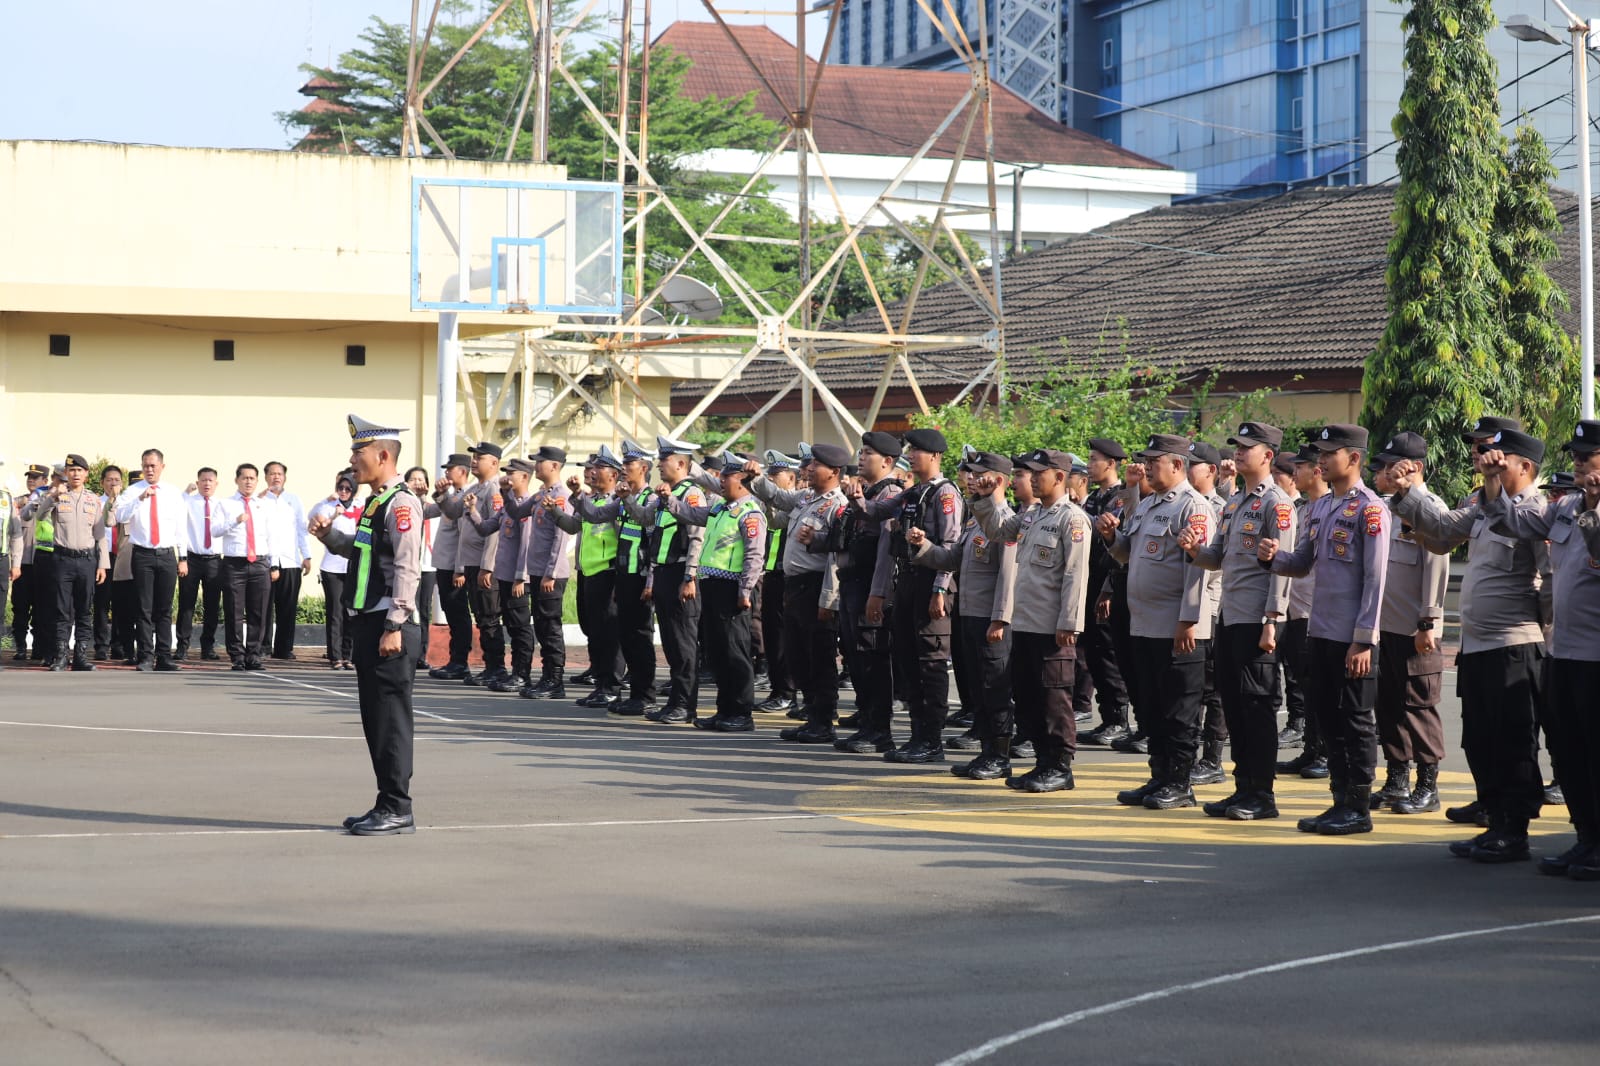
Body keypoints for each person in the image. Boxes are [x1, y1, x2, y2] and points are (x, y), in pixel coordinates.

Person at [1389, 420, 1550, 863]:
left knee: (1513, 740)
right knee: (1479, 739)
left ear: (1524, 466)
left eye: (1496, 457)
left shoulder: (1537, 512)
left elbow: (1552, 581)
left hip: (1515, 645)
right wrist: (1407, 492)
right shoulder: (1482, 506)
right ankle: (1494, 818)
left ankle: (1514, 829)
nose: (1484, 462)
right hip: (1478, 646)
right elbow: (1442, 529)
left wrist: (1549, 639)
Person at [1260, 423, 1389, 836]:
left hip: (1353, 638)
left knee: (1356, 722)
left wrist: (1364, 639)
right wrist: (1273, 558)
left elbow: (1375, 580)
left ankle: (1359, 806)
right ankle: (1339, 800)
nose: (1322, 460)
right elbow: (1302, 563)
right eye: (1321, 453)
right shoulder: (1319, 508)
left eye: (1330, 453)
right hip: (1320, 631)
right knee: (1329, 720)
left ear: (1354, 458)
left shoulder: (1370, 509)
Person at [309, 414, 424, 836]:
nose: (352, 459)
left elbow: (408, 567)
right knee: (376, 719)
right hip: (371, 622)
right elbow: (365, 554)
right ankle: (386, 801)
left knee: (390, 719)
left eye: (359, 451)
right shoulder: (376, 502)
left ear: (382, 456)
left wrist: (395, 623)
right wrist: (329, 536)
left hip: (388, 625)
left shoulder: (401, 503)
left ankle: (398, 807)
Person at [1180, 422, 1295, 821]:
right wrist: (1194, 550)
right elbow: (1217, 557)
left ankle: (1262, 793)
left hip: (1257, 620)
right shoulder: (1234, 503)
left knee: (1258, 708)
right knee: (1235, 706)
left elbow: (1283, 566)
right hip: (1230, 616)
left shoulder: (1277, 504)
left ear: (1268, 455)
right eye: (1238, 446)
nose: (1240, 452)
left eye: (1248, 447)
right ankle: (1243, 786)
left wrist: (1272, 620)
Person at [1099, 434, 1214, 810]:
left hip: (1177, 628)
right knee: (1151, 707)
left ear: (1177, 465)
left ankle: (1180, 782)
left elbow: (1199, 569)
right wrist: (1112, 537)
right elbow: (1127, 555)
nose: (1146, 467)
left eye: (1154, 461)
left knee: (1179, 710)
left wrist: (1188, 620)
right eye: (1146, 461)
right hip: (1144, 623)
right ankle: (1160, 776)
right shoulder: (1148, 504)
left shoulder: (1193, 506)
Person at [969, 449, 1090, 789]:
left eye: (1040, 473)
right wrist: (984, 498)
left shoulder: (1072, 519)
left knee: (1054, 699)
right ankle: (1042, 762)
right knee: (1029, 698)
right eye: (1031, 473)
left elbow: (1076, 575)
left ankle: (1060, 767)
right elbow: (997, 531)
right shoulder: (1032, 515)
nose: (1033, 479)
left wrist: (1069, 623)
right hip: (1024, 622)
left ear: (1060, 477)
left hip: (1052, 626)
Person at [852, 428, 964, 763]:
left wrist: (940, 589)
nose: (911, 455)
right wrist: (857, 498)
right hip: (908, 581)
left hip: (931, 581)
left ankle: (931, 740)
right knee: (908, 660)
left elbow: (951, 546)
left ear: (935, 456)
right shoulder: (912, 492)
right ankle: (917, 736)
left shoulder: (945, 493)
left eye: (917, 451)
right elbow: (875, 512)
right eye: (910, 450)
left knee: (930, 664)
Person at [1366, 433, 1450, 815]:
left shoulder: (1430, 508)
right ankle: (1397, 779)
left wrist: (1428, 621)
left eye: (1391, 465)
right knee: (1388, 706)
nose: (1384, 472)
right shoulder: (1385, 509)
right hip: (1385, 626)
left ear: (1414, 467)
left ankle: (1427, 785)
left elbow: (1436, 567)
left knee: (1419, 706)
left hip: (1415, 629)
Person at [747, 444, 849, 742]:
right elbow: (778, 497)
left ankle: (823, 720)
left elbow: (835, 559)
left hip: (817, 587)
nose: (809, 469)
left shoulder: (838, 506)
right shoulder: (806, 497)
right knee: (797, 654)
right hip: (795, 587)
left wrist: (828, 600)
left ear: (834, 472)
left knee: (820, 656)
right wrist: (755, 479)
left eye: (816, 465)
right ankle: (810, 714)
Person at [656, 458, 767, 731]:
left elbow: (754, 556)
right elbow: (689, 515)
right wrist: (669, 500)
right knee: (718, 653)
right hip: (712, 586)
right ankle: (724, 710)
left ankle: (741, 713)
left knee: (735, 653)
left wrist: (745, 590)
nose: (721, 481)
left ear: (742, 480)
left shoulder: (750, 513)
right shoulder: (719, 508)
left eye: (727, 477)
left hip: (733, 589)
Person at [826, 431, 905, 753]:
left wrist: (878, 592)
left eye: (868, 453)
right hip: (852, 582)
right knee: (857, 658)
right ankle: (867, 723)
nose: (861, 457)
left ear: (887, 461)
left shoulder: (891, 495)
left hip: (870, 585)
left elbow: (886, 550)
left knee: (873, 658)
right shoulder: (866, 492)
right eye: (861, 452)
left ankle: (879, 730)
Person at [574, 439, 658, 715]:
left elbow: (651, 536)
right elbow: (596, 515)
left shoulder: (650, 499)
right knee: (624, 636)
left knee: (637, 637)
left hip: (639, 576)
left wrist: (651, 581)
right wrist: (577, 496)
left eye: (628, 463)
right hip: (624, 575)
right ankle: (628, 693)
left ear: (643, 468)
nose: (624, 468)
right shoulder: (623, 499)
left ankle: (640, 693)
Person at [627, 436, 708, 724]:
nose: (660, 465)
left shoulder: (691, 494)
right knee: (672, 644)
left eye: (665, 460)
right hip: (663, 572)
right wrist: (626, 498)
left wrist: (690, 576)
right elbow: (645, 519)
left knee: (684, 644)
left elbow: (697, 538)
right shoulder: (666, 494)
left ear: (682, 464)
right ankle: (674, 702)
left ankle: (685, 705)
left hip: (680, 573)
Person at [555, 446, 628, 709]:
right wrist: (554, 512)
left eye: (599, 469)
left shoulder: (617, 502)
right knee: (596, 633)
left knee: (610, 634)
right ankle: (600, 683)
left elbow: (623, 541)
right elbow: (573, 526)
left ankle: (612, 687)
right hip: (588, 573)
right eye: (592, 468)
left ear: (614, 475)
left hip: (608, 573)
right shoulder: (591, 500)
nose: (592, 473)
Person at [26, 454, 109, 671]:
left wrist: (103, 565)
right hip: (62, 560)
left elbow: (100, 535)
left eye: (79, 470)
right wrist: (52, 496)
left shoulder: (93, 500)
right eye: (71, 470)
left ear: (86, 474)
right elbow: (39, 516)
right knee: (61, 610)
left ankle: (81, 656)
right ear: (66, 473)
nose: (75, 474)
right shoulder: (57, 496)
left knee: (84, 610)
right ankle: (61, 656)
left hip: (86, 561)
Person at [113, 448, 191, 671]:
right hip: (143, 554)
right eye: (145, 465)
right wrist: (139, 499)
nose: (149, 469)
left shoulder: (172, 492)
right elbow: (120, 516)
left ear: (162, 467)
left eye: (153, 466)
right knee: (143, 608)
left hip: (166, 554)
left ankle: (164, 656)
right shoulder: (132, 491)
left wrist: (183, 557)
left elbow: (180, 527)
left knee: (164, 609)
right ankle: (145, 656)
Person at [469, 458, 534, 694]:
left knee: (520, 627)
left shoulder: (526, 506)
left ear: (524, 477)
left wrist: (521, 577)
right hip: (504, 575)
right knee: (511, 626)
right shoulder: (508, 506)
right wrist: (472, 511)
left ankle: (522, 674)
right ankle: (514, 673)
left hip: (517, 579)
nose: (506, 476)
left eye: (511, 473)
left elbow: (526, 544)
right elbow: (486, 528)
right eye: (505, 472)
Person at [518, 446, 574, 698]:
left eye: (540, 462)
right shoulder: (541, 494)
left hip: (551, 574)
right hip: (538, 571)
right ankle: (546, 676)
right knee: (541, 625)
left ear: (554, 466)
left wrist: (550, 573)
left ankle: (555, 680)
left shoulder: (561, 497)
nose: (536, 466)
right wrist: (508, 493)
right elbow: (516, 512)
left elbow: (560, 539)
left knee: (550, 627)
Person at [216, 463, 279, 670]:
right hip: (235, 563)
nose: (248, 482)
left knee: (258, 611)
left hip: (259, 562)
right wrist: (234, 521)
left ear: (257, 481)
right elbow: (215, 530)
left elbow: (272, 536)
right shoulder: (226, 504)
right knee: (234, 611)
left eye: (252, 478)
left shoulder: (264, 505)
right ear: (237, 480)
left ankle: (254, 655)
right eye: (245, 478)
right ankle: (237, 656)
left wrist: (274, 564)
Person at [456, 442, 507, 687]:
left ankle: (497, 667)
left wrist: (487, 566)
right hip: (471, 562)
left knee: (489, 617)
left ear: (494, 463)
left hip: (484, 564)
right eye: (473, 457)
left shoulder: (495, 489)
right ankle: (490, 666)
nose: (474, 461)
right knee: (481, 615)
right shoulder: (475, 488)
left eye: (480, 457)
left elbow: (494, 531)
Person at [755, 451, 801, 714]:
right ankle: (778, 689)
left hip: (789, 578)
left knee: (786, 640)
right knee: (772, 638)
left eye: (775, 475)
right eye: (768, 475)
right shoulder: (773, 506)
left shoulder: (798, 504)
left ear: (791, 478)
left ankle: (787, 692)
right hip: (772, 575)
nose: (770, 479)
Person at [426, 454, 474, 680]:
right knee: (451, 612)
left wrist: (460, 569)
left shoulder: (467, 497)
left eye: (450, 469)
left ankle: (460, 661)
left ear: (462, 471)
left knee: (458, 614)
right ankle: (455, 660)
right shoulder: (454, 496)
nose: (446, 473)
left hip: (454, 566)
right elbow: (429, 510)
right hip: (444, 564)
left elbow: (464, 536)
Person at [260, 461, 311, 661]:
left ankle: (284, 648)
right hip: (265, 561)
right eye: (272, 474)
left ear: (285, 477)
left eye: (279, 474)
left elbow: (302, 529)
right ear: (266, 477)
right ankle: (263, 647)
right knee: (264, 607)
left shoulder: (294, 500)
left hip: (290, 560)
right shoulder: (259, 500)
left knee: (288, 607)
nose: (276, 477)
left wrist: (306, 555)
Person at [310, 474, 362, 670]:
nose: (344, 492)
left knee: (351, 612)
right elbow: (316, 521)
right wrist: (334, 515)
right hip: (332, 567)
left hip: (353, 566)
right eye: (341, 488)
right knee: (335, 613)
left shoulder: (361, 507)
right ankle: (335, 656)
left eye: (348, 489)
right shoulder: (329, 507)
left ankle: (349, 655)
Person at [176, 467, 228, 661]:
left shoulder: (222, 504)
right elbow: (179, 527)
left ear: (216, 484)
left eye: (210, 480)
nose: (207, 484)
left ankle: (208, 647)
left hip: (214, 560)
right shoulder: (189, 502)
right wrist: (182, 559)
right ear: (197, 483)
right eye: (203, 480)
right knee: (186, 605)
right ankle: (182, 646)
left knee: (212, 606)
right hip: (192, 559)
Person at [9, 464, 49, 660]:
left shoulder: (50, 501)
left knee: (41, 609)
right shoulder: (18, 503)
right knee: (20, 609)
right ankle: (20, 646)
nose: (31, 480)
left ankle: (39, 647)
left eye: (36, 477)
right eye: (29, 477)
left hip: (43, 564)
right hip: (23, 565)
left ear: (45, 481)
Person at [404, 466, 439, 672]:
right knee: (410, 609)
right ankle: (409, 652)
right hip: (411, 566)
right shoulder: (404, 506)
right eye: (414, 479)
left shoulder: (433, 508)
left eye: (421, 479)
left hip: (428, 565)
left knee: (424, 611)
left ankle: (422, 654)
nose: (418, 482)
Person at [92, 465, 126, 660]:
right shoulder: (96, 503)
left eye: (117, 480)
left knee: (121, 602)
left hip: (122, 557)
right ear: (102, 482)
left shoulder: (127, 502)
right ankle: (101, 645)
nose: (113, 483)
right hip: (103, 558)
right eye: (109, 480)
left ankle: (118, 644)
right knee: (102, 603)